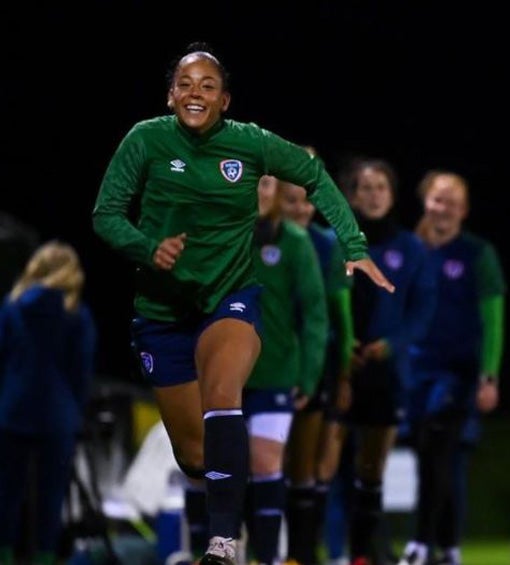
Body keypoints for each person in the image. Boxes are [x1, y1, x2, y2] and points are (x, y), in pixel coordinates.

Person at [91, 42, 393, 565]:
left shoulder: (250, 144)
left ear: (225, 100)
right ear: (170, 96)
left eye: (208, 85)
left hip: (229, 298)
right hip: (162, 315)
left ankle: (223, 543)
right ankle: (236, 511)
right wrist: (147, 248)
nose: (195, 93)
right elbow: (106, 214)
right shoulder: (145, 140)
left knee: (224, 391)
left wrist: (354, 246)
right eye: (185, 83)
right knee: (194, 457)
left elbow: (314, 176)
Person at [325, 157, 437, 565]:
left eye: (380, 187)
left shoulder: (410, 248)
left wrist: (391, 345)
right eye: (364, 188)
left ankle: (361, 555)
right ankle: (323, 552)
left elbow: (423, 311)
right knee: (325, 470)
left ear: (392, 195)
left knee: (371, 473)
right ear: (350, 195)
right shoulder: (334, 242)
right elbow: (320, 307)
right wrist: (343, 343)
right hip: (338, 369)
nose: (373, 195)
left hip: (387, 373)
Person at [397, 170, 505, 565]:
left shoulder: (478, 254)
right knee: (435, 461)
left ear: (464, 210)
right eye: (438, 199)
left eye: (453, 201)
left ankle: (429, 544)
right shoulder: (409, 251)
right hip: (414, 373)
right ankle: (443, 547)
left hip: (457, 376)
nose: (444, 208)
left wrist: (488, 376)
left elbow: (493, 319)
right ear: (426, 202)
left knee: (442, 454)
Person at [241, 173, 329, 564]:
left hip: (275, 373)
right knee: (221, 469)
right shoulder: (224, 234)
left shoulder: (295, 243)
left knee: (265, 465)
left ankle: (269, 557)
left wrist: (308, 375)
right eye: (253, 183)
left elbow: (314, 313)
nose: (259, 193)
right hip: (226, 376)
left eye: (266, 185)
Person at [277, 148, 358, 565]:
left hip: (316, 366)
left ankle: (303, 555)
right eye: (291, 199)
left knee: (307, 469)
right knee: (269, 465)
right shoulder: (257, 238)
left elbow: (339, 317)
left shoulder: (329, 245)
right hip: (268, 366)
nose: (301, 209)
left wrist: (343, 375)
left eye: (307, 199)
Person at [0, 241, 96, 565]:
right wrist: (77, 411)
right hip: (58, 416)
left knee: (6, 494)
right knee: (50, 499)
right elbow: (81, 371)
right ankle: (44, 559)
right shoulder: (77, 315)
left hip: (12, 411)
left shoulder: (12, 307)